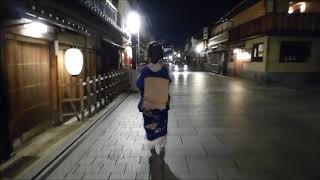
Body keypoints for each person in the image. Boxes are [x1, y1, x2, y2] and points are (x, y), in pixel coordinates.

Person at [136, 41, 171, 153]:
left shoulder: (145, 70)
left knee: (150, 123)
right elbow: (168, 83)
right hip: (161, 104)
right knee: (162, 122)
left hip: (149, 104)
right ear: (161, 55)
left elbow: (139, 84)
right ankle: (160, 144)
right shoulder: (164, 70)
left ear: (149, 55)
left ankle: (152, 142)